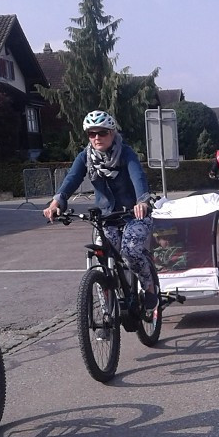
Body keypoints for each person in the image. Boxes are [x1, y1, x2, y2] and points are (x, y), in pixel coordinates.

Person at [44, 110, 158, 309]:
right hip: (106, 217)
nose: (97, 138)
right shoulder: (85, 157)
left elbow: (138, 177)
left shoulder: (126, 153)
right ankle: (107, 312)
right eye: (92, 133)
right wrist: (57, 202)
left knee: (130, 251)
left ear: (112, 133)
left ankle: (148, 288)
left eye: (102, 132)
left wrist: (142, 201)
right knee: (101, 259)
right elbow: (72, 179)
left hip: (134, 215)